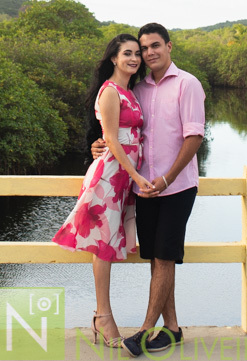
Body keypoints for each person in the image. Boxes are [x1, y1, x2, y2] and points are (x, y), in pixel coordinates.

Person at [93, 22, 205, 357]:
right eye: (143, 48)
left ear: (169, 46)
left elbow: (194, 137)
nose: (148, 53)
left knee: (166, 255)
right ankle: (171, 329)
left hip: (176, 187)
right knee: (156, 257)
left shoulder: (188, 84)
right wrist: (98, 145)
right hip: (143, 187)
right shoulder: (136, 90)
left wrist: (168, 178)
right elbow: (116, 130)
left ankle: (144, 331)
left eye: (155, 45)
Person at [53, 34, 155, 349]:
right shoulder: (110, 92)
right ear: (113, 57)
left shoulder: (131, 91)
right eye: (127, 53)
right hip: (112, 175)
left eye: (137, 53)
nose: (134, 58)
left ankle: (103, 315)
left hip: (125, 177)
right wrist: (136, 175)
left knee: (113, 243)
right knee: (103, 245)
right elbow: (110, 139)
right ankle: (103, 315)